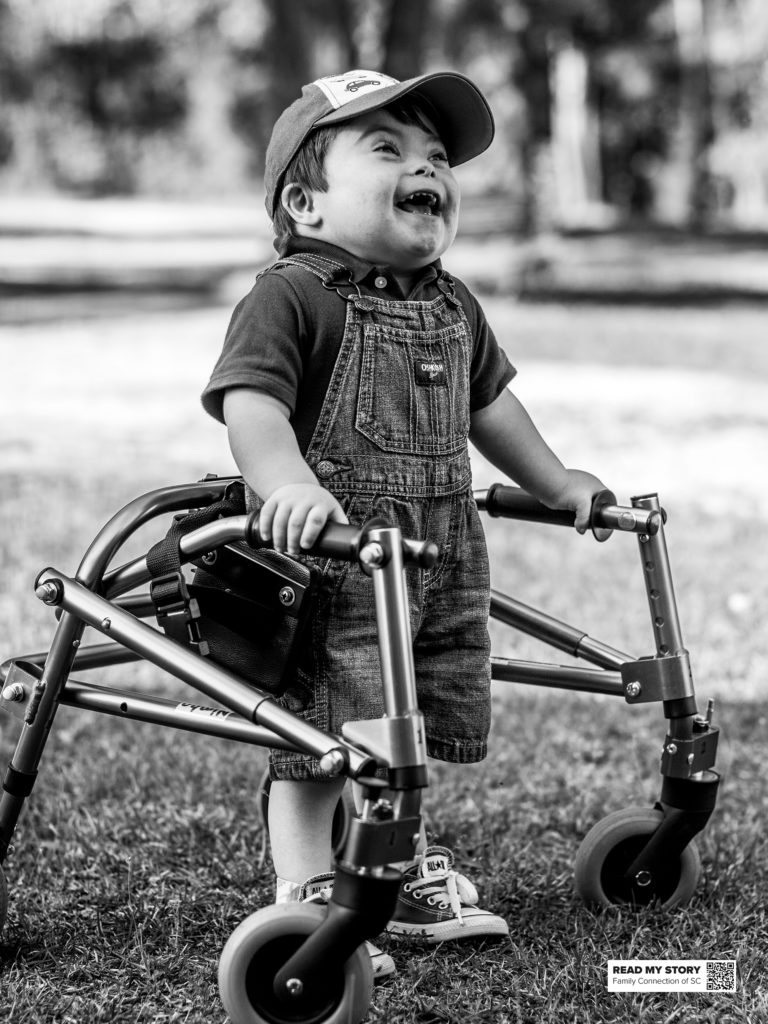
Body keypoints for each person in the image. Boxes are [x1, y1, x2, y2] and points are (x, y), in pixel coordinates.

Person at [201, 69, 607, 978]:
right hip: (335, 556)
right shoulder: (291, 294)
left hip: (435, 555)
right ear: (305, 201)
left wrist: (555, 480)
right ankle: (308, 894)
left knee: (405, 722)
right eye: (387, 150)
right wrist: (286, 486)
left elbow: (491, 408)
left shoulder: (452, 303)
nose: (427, 167)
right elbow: (250, 405)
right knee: (319, 737)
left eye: (435, 157)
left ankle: (400, 878)